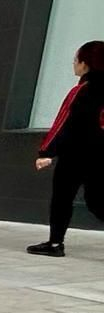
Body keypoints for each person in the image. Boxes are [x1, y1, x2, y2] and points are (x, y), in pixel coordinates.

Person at [28, 40, 104, 257]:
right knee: (97, 200)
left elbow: (63, 123)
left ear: (86, 63)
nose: (74, 64)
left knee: (63, 197)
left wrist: (46, 152)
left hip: (75, 155)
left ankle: (55, 244)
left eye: (76, 60)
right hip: (100, 156)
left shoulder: (81, 91)